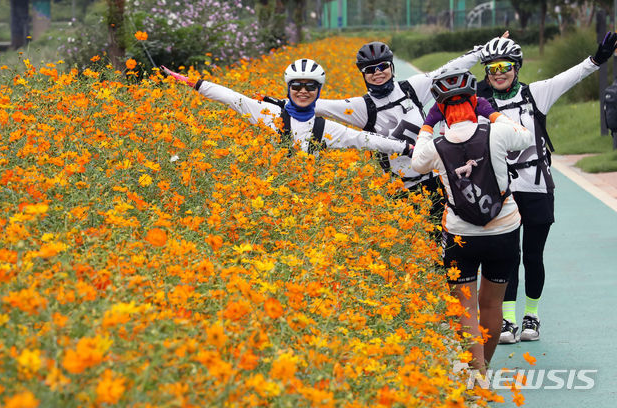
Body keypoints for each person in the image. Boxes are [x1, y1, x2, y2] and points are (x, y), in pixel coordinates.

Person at [476, 33, 617, 344]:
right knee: (508, 256)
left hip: (537, 187)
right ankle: (507, 320)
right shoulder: (480, 103)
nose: (499, 72)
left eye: (505, 66)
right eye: (492, 67)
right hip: (502, 192)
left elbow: (570, 76)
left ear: (517, 67)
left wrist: (598, 59)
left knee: (533, 255)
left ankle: (532, 316)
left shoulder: (535, 94)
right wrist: (478, 53)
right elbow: (446, 89)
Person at [411, 67, 532, 374]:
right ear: (475, 100)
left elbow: (416, 163)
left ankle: (476, 379)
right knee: (491, 307)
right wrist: (491, 114)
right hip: (503, 230)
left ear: (441, 107)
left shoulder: (436, 145)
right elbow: (526, 136)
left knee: (466, 312)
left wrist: (428, 124)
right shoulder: (497, 132)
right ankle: (484, 371)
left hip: (460, 235)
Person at [312, 41, 486, 219]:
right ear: (363, 74)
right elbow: (318, 106)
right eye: (370, 70)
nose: (377, 72)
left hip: (435, 181)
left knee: (447, 237)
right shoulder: (362, 107)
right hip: (398, 191)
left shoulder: (411, 88)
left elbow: (447, 70)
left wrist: (482, 51)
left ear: (391, 67)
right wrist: (287, 100)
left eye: (383, 66)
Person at [160, 59, 410, 157]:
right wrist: (189, 81)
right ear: (288, 89)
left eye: (310, 86)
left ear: (318, 91)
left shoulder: (325, 128)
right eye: (297, 85)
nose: (303, 91)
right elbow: (230, 97)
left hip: (303, 203)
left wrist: (406, 148)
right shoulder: (266, 113)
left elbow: (365, 139)